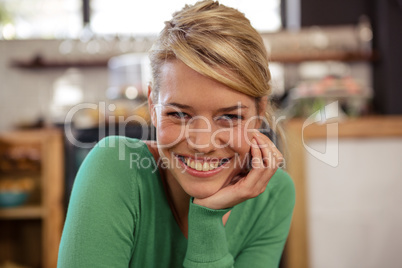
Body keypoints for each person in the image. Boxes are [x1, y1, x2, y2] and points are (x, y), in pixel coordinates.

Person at [57, 1, 295, 267]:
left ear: (259, 113)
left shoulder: (274, 196)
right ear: (153, 107)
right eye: (179, 114)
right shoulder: (114, 169)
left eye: (229, 117)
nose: (202, 144)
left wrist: (208, 218)